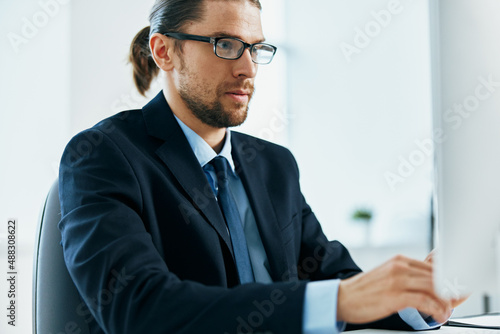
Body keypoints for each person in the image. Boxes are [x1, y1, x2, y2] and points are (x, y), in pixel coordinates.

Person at [58, 0, 463, 333]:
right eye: (225, 44)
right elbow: (139, 310)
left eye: (255, 48)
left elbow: (333, 283)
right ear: (165, 51)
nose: (248, 68)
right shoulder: (102, 156)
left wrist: (413, 300)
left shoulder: (273, 165)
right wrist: (342, 300)